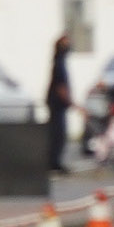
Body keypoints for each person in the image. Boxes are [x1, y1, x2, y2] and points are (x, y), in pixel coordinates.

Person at [44, 34, 75, 171]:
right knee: (58, 133)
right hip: (57, 103)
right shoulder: (59, 63)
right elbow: (60, 85)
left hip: (57, 103)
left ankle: (54, 161)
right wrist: (69, 101)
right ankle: (54, 162)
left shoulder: (59, 61)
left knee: (57, 133)